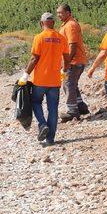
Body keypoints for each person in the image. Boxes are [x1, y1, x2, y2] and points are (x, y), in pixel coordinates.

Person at [19, 12, 69, 146]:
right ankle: (50, 139)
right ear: (53, 23)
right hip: (55, 80)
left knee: (36, 102)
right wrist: (63, 70)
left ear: (42, 23)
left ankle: (42, 124)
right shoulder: (61, 37)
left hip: (40, 80)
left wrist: (25, 75)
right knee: (53, 108)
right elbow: (67, 57)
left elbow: (34, 58)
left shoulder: (39, 37)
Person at [56, 3, 90, 121]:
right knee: (72, 84)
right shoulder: (67, 24)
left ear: (68, 13)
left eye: (60, 12)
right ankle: (81, 107)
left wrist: (67, 62)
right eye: (57, 13)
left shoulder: (70, 25)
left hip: (74, 62)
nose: (58, 15)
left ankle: (72, 112)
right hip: (75, 61)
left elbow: (72, 45)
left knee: (68, 84)